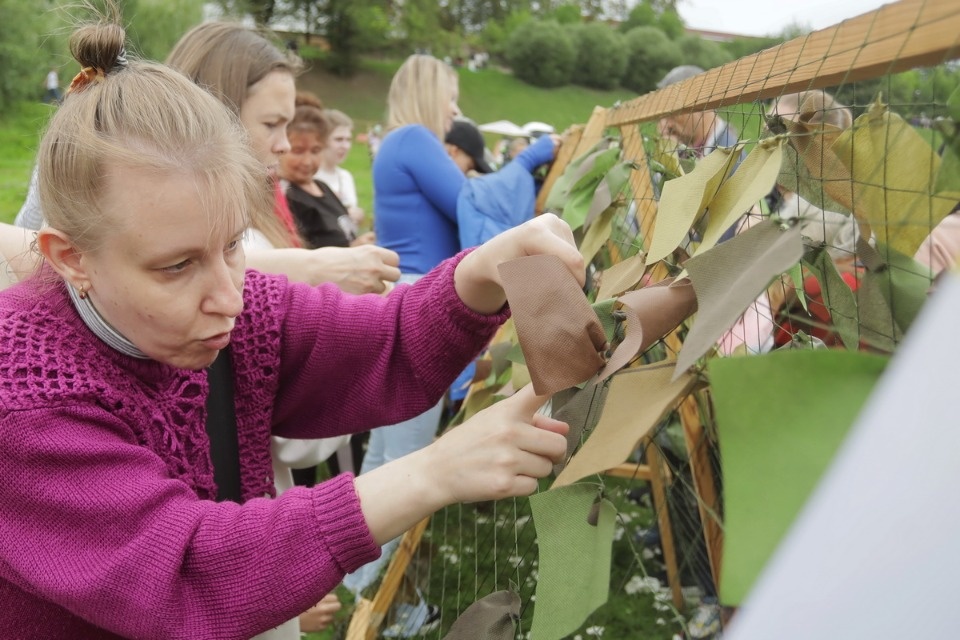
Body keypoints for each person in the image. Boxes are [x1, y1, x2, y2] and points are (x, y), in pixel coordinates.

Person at [0, 11, 580, 640]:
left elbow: (378, 345)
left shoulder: (234, 311)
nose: (228, 296)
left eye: (230, 246)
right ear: (71, 258)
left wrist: (482, 274)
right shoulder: (26, 398)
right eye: (177, 266)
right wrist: (431, 472)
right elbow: (188, 571)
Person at [344, 53, 467, 618]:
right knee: (411, 461)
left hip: (399, 302)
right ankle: (389, 604)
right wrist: (534, 159)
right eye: (451, 96)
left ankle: (357, 581)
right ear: (428, 93)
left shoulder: (393, 143)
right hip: (423, 306)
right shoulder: (416, 138)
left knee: (385, 455)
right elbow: (469, 203)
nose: (455, 109)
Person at [279, 93, 375, 250]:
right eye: (298, 151)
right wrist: (353, 251)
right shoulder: (286, 196)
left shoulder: (322, 187)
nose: (307, 161)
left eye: (315, 150)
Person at [315, 108, 366, 229]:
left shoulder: (345, 177)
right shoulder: (311, 178)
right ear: (321, 140)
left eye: (348, 140)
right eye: (338, 139)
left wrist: (358, 215)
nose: (345, 146)